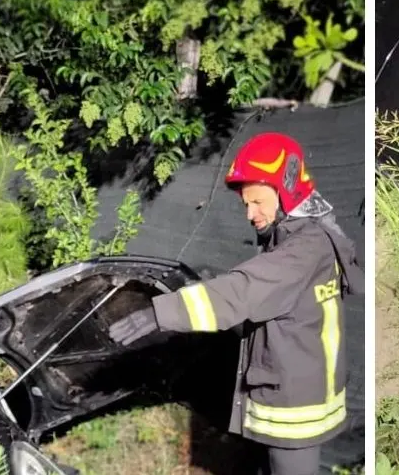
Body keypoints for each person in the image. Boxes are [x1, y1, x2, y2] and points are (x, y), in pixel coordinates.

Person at [106, 132, 363, 475]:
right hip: (300, 395)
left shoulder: (304, 249)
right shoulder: (307, 235)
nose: (249, 213)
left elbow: (245, 290)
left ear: (286, 188)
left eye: (256, 201)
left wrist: (161, 311)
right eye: (245, 204)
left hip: (295, 413)